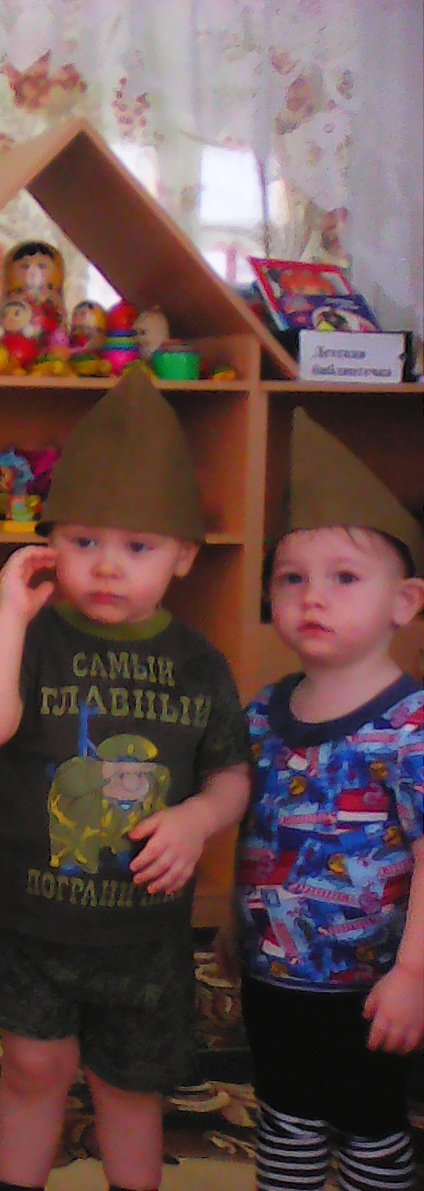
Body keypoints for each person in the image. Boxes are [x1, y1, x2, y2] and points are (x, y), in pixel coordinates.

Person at [0, 367, 252, 1191]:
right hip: (30, 923)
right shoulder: (33, 638)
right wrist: (8, 615)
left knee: (130, 1088)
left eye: (138, 547)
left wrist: (196, 818)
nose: (108, 567)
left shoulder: (198, 662)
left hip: (145, 937)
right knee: (33, 1070)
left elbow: (231, 774)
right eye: (84, 543)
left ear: (184, 556)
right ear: (51, 545)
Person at [224, 409, 424, 1191]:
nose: (313, 597)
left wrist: (414, 972)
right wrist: (236, 924)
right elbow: (256, 828)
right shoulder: (261, 711)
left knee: (370, 1124)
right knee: (285, 1116)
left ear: (403, 601)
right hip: (273, 975)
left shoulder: (411, 726)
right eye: (291, 578)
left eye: (345, 577)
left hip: (373, 984)